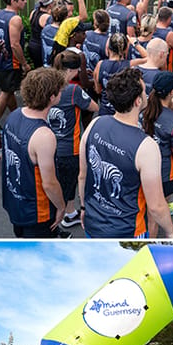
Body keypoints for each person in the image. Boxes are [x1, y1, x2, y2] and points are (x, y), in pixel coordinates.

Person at [78, 67, 173, 239]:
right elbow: (155, 205)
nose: (147, 95)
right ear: (137, 101)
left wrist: (83, 208)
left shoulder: (95, 123)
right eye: (144, 92)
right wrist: (171, 231)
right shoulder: (146, 146)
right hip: (128, 232)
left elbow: (83, 175)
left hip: (92, 224)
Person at [2, 67, 67, 238]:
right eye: (60, 91)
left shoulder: (14, 115)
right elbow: (49, 183)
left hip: (15, 202)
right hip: (36, 212)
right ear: (52, 97)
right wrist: (61, 207)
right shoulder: (44, 135)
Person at [50, 50, 99, 228]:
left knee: (58, 180)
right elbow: (93, 107)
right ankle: (67, 214)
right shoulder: (72, 90)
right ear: (72, 70)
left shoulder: (48, 83)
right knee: (70, 182)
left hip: (50, 144)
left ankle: (68, 211)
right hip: (70, 146)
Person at [142, 71, 173, 223]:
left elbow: (166, 106)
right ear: (171, 92)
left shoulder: (145, 106)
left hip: (143, 166)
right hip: (164, 172)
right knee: (156, 211)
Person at [0, 0, 31, 121]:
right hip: (9, 63)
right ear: (14, 1)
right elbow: (15, 45)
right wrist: (24, 64)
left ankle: (17, 117)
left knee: (9, 91)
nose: (24, 2)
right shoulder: (15, 19)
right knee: (6, 93)